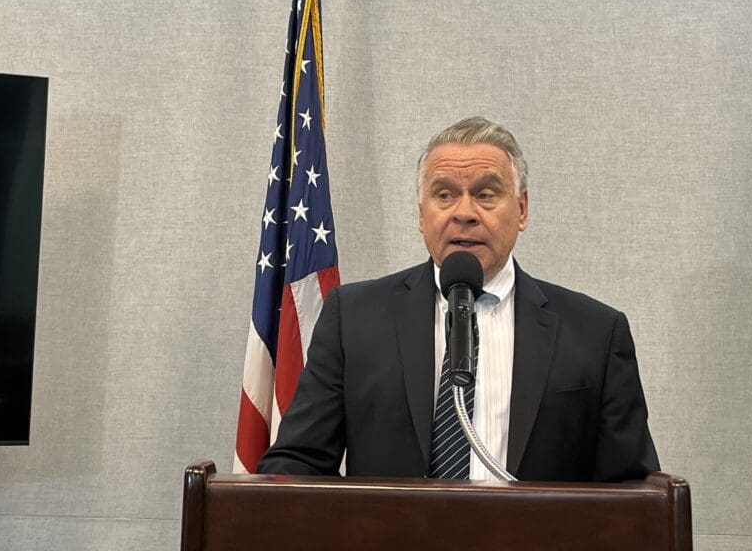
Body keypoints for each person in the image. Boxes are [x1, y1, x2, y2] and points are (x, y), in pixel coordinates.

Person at [257, 116, 659, 481]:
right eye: (444, 195)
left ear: (521, 209)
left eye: (485, 194)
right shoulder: (354, 319)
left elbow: (632, 493)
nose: (464, 212)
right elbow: (296, 466)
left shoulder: (595, 334)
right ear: (421, 214)